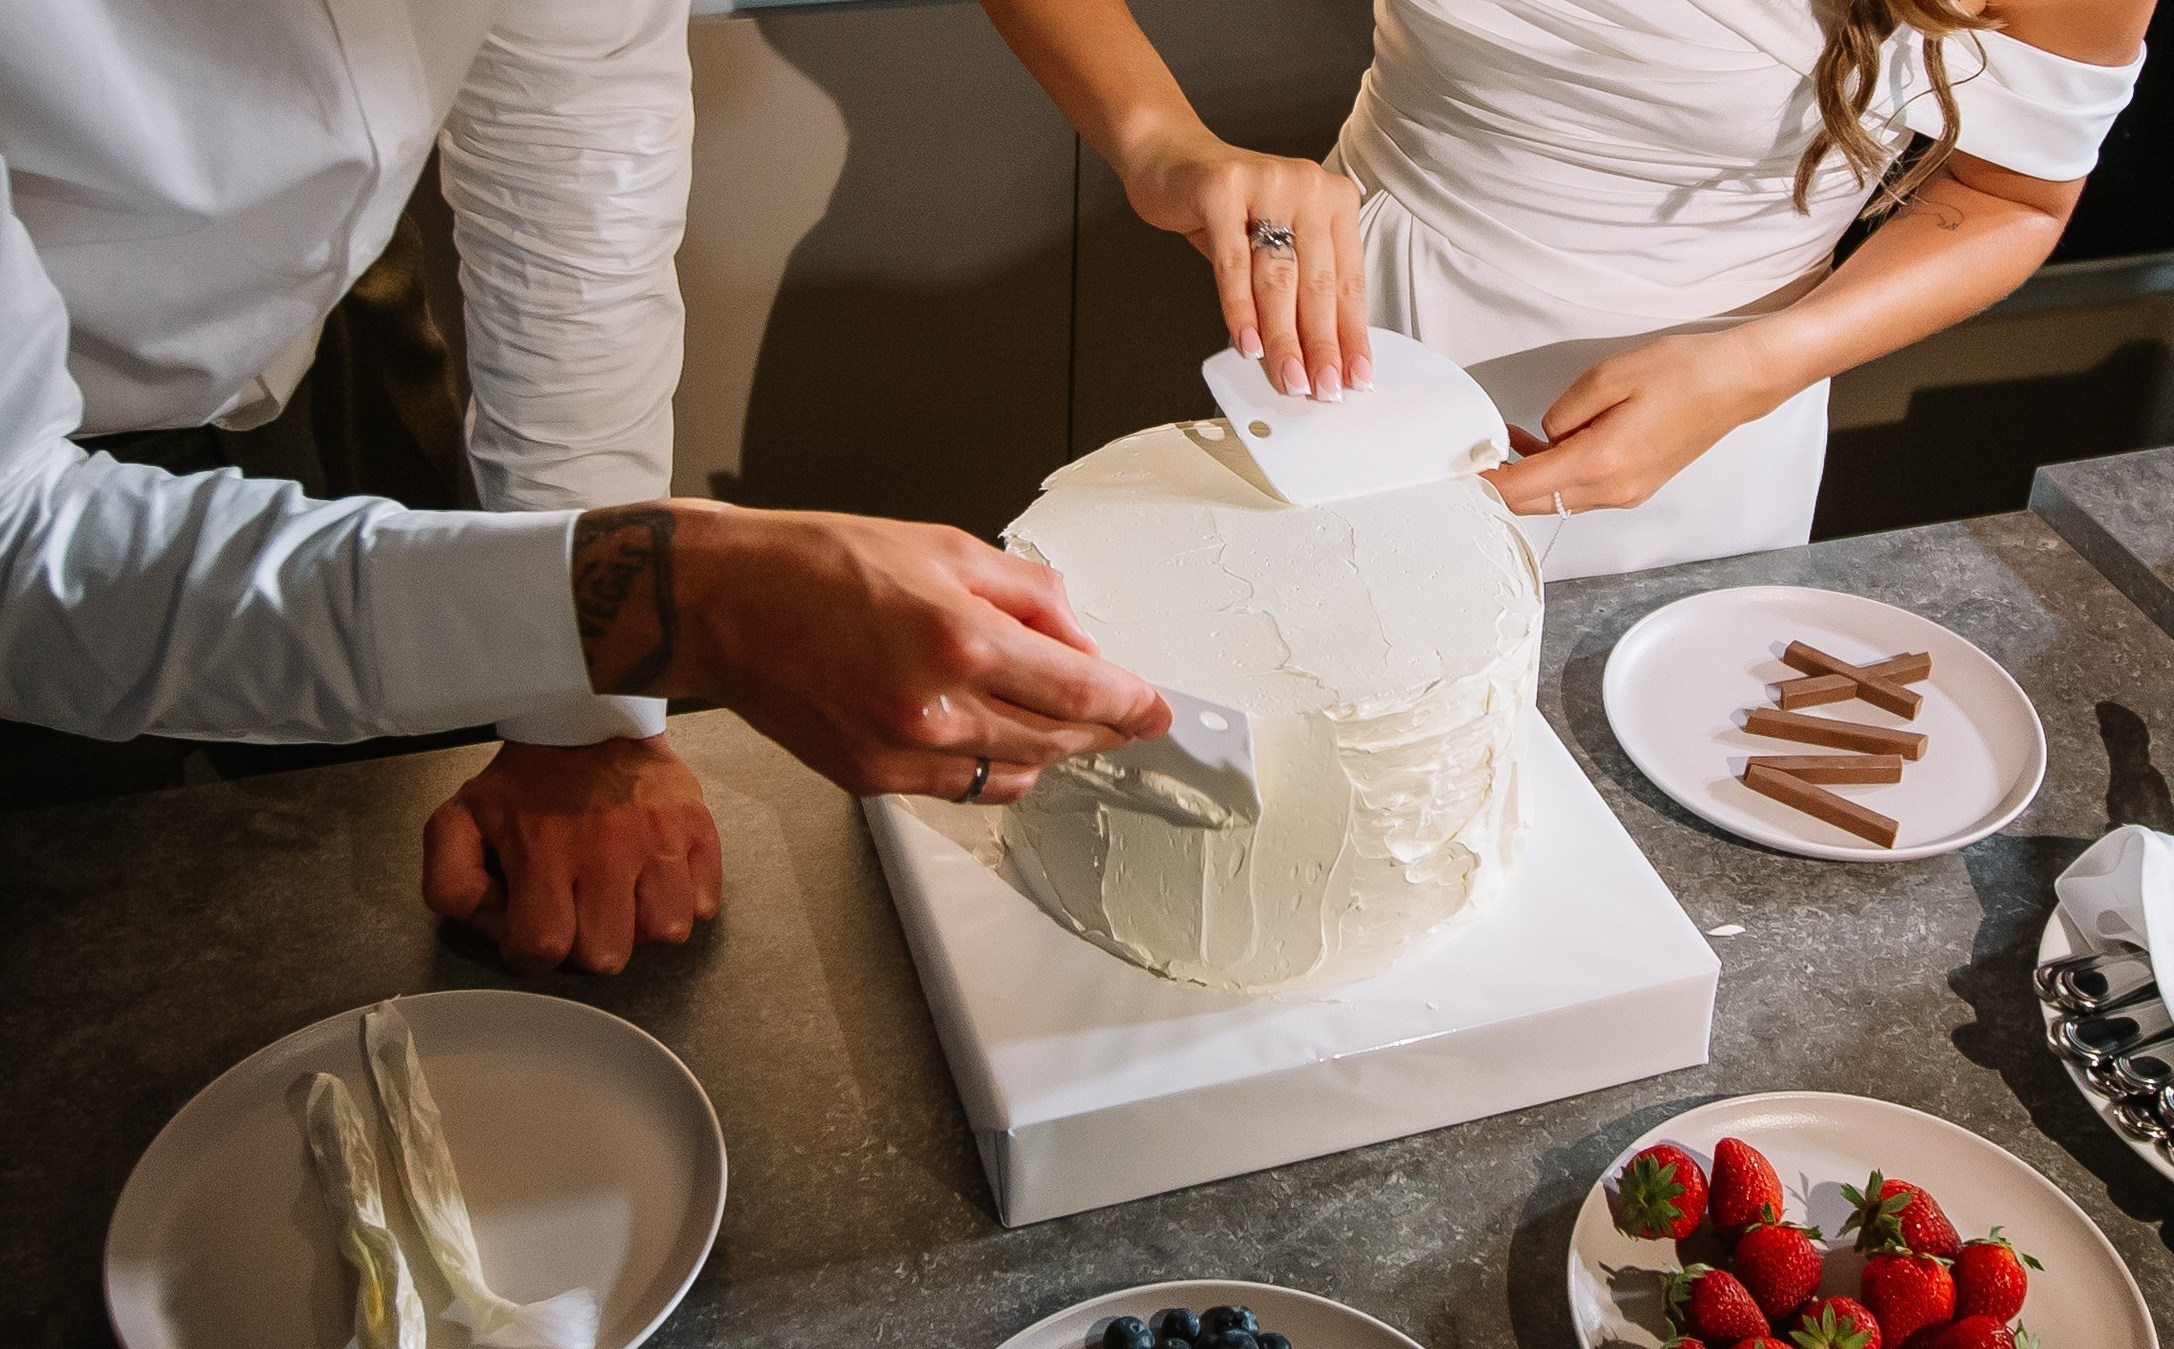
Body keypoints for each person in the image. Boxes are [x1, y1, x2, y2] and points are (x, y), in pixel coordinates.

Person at [0, 0, 1168, 973]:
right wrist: (673, 603)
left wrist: (580, 717)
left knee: (364, 876)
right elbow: (21, 560)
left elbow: (574, 199)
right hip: (48, 460)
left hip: (327, 330)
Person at [981, 0, 2151, 579]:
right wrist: (1160, 147)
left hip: (1706, 421)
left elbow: (2014, 198)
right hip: (1355, 336)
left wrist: (1761, 365)